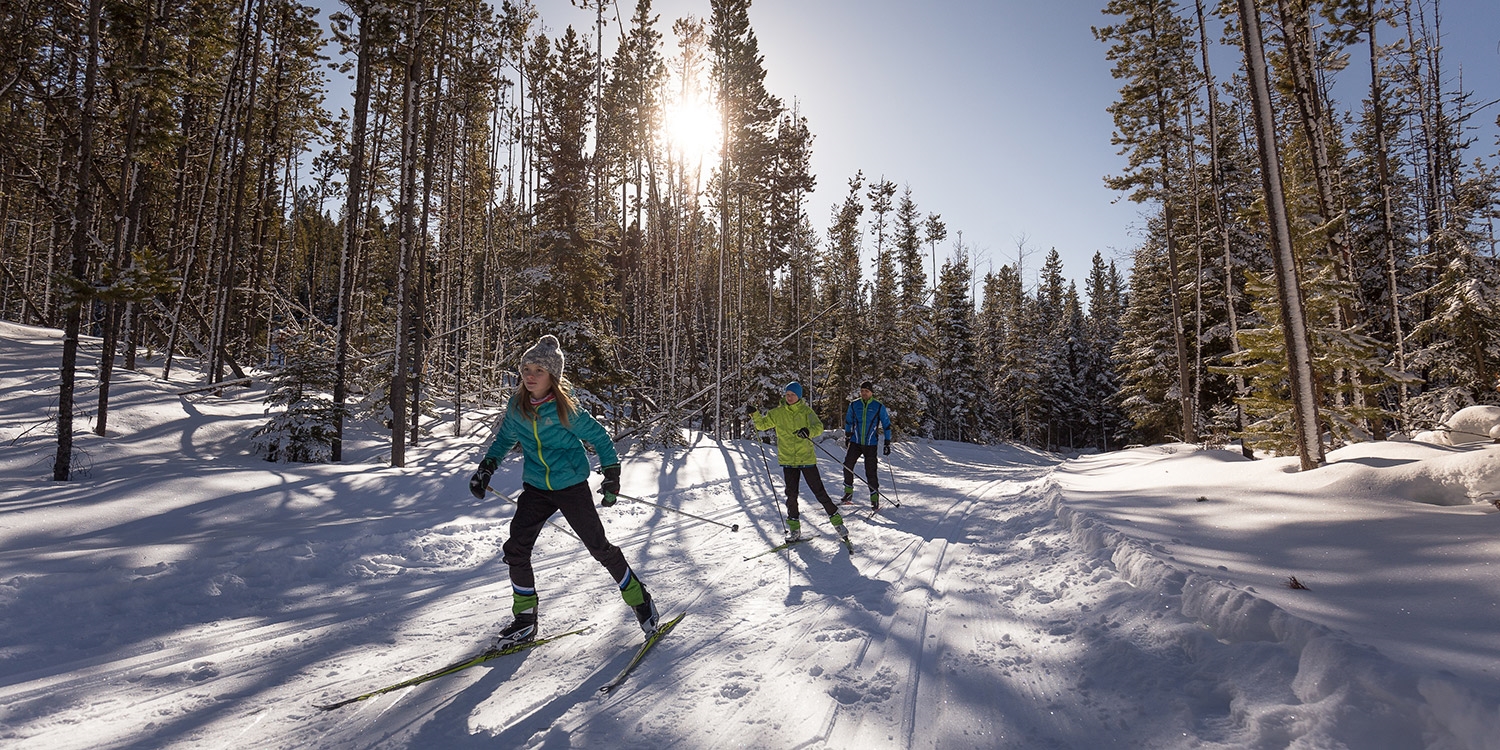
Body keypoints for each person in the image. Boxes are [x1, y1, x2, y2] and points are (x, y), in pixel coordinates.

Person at [468, 334, 660, 647]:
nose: (530, 376)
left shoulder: (566, 410)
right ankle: (525, 620)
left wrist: (611, 474)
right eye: (526, 369)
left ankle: (641, 602)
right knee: (516, 548)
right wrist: (486, 468)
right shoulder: (518, 408)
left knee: (599, 548)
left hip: (571, 486)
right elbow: (503, 441)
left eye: (538, 371)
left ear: (552, 377)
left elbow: (600, 439)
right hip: (536, 487)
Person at [749, 382, 849, 544]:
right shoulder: (777, 413)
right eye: (787, 394)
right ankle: (795, 529)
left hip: (806, 459)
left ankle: (838, 523)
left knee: (819, 492)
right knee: (791, 495)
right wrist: (755, 414)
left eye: (793, 394)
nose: (789, 397)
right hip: (788, 459)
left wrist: (808, 431)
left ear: (799, 396)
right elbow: (762, 425)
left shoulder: (806, 412)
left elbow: (818, 426)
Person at [841, 380, 892, 510]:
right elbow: (848, 421)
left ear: (871, 392)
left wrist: (887, 442)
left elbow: (886, 425)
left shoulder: (878, 406)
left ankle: (874, 499)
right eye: (862, 391)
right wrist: (847, 435)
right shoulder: (854, 404)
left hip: (871, 444)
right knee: (847, 465)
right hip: (856, 442)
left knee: (871, 471)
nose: (864, 393)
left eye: (867, 391)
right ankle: (848, 493)